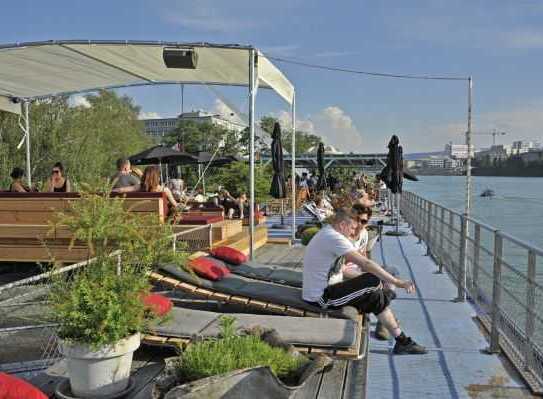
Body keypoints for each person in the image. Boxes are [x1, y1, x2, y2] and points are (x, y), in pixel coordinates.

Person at [302, 208, 426, 355]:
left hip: (330, 290)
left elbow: (342, 270)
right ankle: (388, 297)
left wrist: (363, 282)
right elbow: (366, 264)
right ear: (342, 225)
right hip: (322, 298)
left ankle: (403, 341)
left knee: (374, 295)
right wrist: (397, 282)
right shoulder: (334, 237)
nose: (353, 232)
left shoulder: (329, 234)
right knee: (372, 279)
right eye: (352, 228)